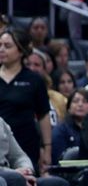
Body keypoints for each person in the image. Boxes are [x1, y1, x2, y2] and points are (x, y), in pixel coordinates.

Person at [0, 30, 51, 174]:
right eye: (0, 45)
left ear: (21, 51)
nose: (1, 49)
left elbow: (43, 115)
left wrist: (47, 149)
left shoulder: (34, 79)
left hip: (26, 143)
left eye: (7, 46)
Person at [0, 116, 69, 186]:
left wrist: (26, 169)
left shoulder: (1, 122)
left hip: (15, 175)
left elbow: (19, 156)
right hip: (7, 176)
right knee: (15, 178)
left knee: (57, 183)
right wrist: (16, 173)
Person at [51, 89, 88, 163]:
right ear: (69, 108)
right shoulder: (60, 130)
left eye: (85, 101)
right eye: (75, 101)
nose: (80, 104)